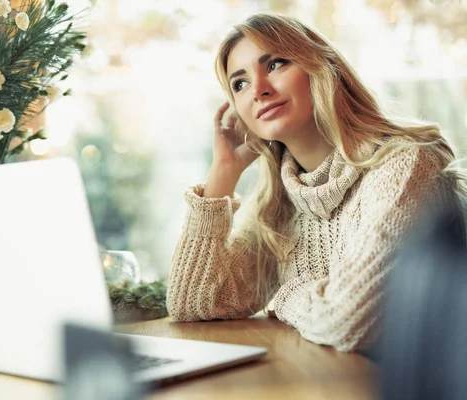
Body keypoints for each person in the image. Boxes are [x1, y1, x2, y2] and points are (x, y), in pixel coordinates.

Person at [166, 13, 466, 352]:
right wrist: (223, 170)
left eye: (276, 64)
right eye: (240, 83)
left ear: (320, 67)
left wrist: (287, 292)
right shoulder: (277, 206)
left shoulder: (403, 165)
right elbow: (193, 303)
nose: (259, 90)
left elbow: (345, 323)